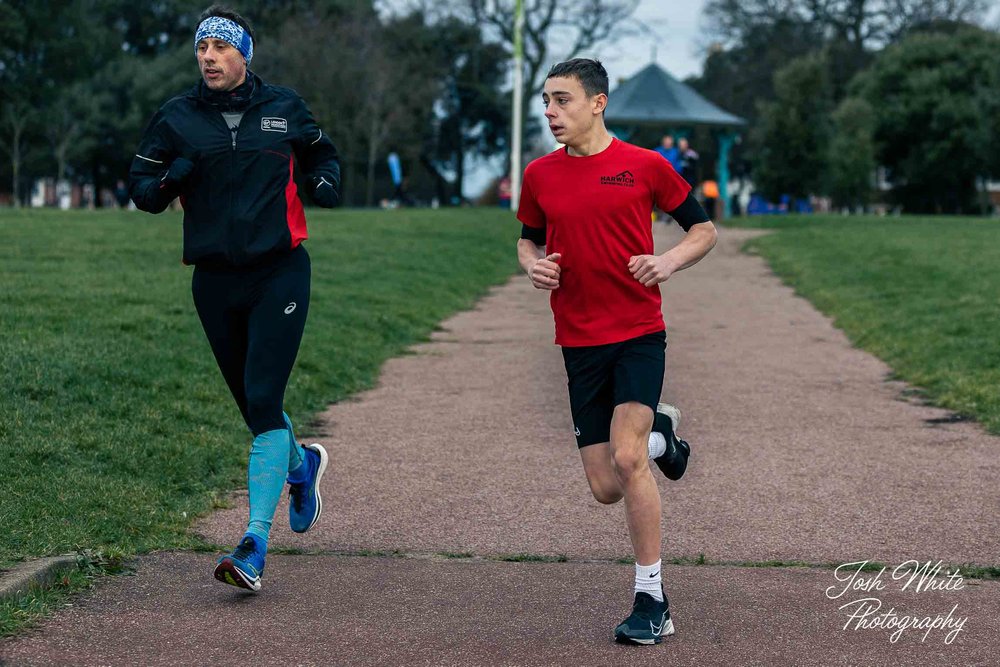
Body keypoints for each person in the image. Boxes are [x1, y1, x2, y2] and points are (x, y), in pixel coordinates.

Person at [129, 5, 340, 592]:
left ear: (244, 54)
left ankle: (253, 543)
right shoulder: (176, 117)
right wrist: (176, 175)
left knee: (265, 397)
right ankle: (303, 468)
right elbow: (142, 191)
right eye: (202, 49)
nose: (209, 58)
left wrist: (326, 180)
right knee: (255, 408)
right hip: (214, 281)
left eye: (220, 48)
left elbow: (323, 151)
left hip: (280, 272)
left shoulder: (284, 108)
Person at [516, 59, 717, 646]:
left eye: (563, 101)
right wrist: (535, 266)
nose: (551, 112)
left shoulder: (646, 166)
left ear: (598, 103)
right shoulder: (540, 175)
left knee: (629, 463)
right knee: (606, 485)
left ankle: (652, 598)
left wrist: (668, 261)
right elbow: (527, 239)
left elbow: (702, 229)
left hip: (637, 332)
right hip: (578, 341)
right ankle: (664, 437)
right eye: (546, 102)